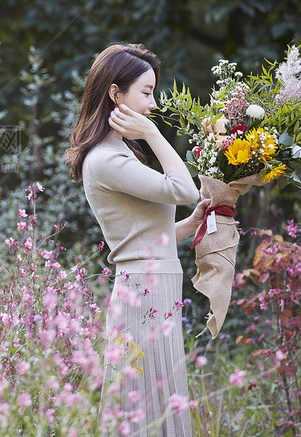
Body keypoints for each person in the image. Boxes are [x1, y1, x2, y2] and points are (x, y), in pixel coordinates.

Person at [66, 43, 210, 436]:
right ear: (116, 93)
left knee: (156, 399)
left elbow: (145, 239)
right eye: (146, 92)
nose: (152, 104)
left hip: (152, 282)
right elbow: (184, 189)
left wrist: (188, 225)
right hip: (143, 289)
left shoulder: (119, 155)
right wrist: (152, 134)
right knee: (142, 404)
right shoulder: (107, 159)